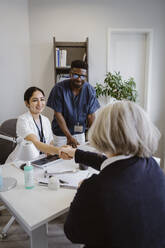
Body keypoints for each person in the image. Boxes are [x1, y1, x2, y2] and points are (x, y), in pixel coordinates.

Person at [60, 101, 165, 248]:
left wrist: (82, 190)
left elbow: (72, 232)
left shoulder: (95, 188)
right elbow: (116, 164)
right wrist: (77, 153)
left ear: (101, 133)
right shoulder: (151, 164)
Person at [47, 60, 100, 147]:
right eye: (76, 75)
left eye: (83, 76)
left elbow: (91, 115)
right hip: (61, 134)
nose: (79, 79)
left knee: (80, 158)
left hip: (79, 133)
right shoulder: (59, 88)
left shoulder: (89, 90)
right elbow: (58, 114)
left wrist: (94, 135)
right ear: (70, 74)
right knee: (61, 158)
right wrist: (69, 136)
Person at [7, 87, 60, 162]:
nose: (40, 103)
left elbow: (50, 142)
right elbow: (35, 143)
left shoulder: (46, 120)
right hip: (22, 161)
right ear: (27, 103)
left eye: (42, 99)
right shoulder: (23, 119)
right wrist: (59, 150)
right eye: (35, 100)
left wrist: (51, 151)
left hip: (40, 159)